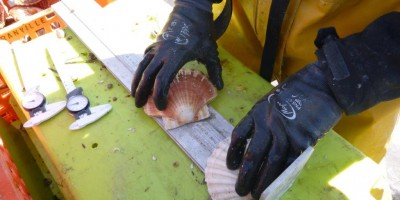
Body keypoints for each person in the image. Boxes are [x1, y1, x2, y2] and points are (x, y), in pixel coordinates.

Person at [131, 0, 400, 199]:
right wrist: (193, 6)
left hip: (365, 62)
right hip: (248, 20)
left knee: (318, 170)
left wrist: (348, 72)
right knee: (235, 105)